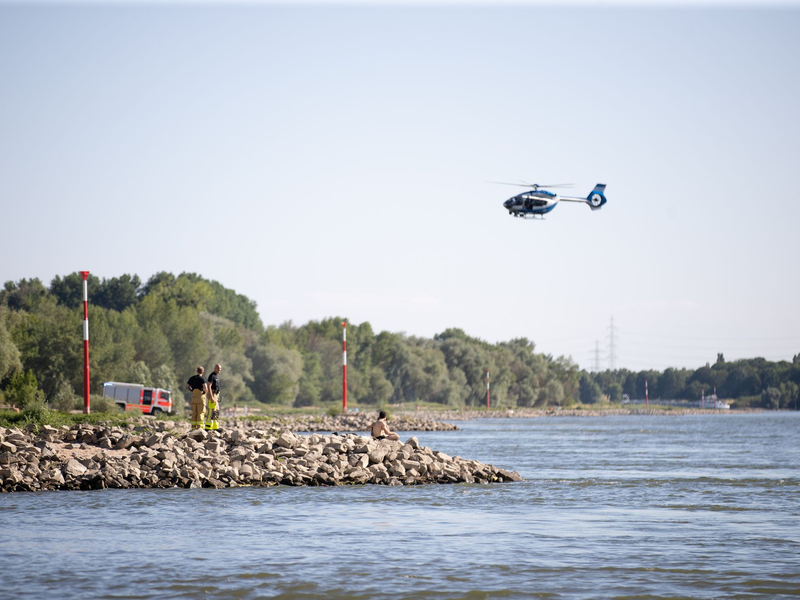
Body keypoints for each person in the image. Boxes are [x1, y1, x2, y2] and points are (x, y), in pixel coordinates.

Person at [205, 364, 222, 431]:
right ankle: (208, 427)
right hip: (213, 395)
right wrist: (211, 396)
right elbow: (209, 386)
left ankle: (215, 427)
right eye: (218, 369)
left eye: (220, 369)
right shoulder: (211, 376)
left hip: (216, 396)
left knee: (216, 411)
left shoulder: (216, 376)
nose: (219, 370)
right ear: (215, 368)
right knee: (211, 412)